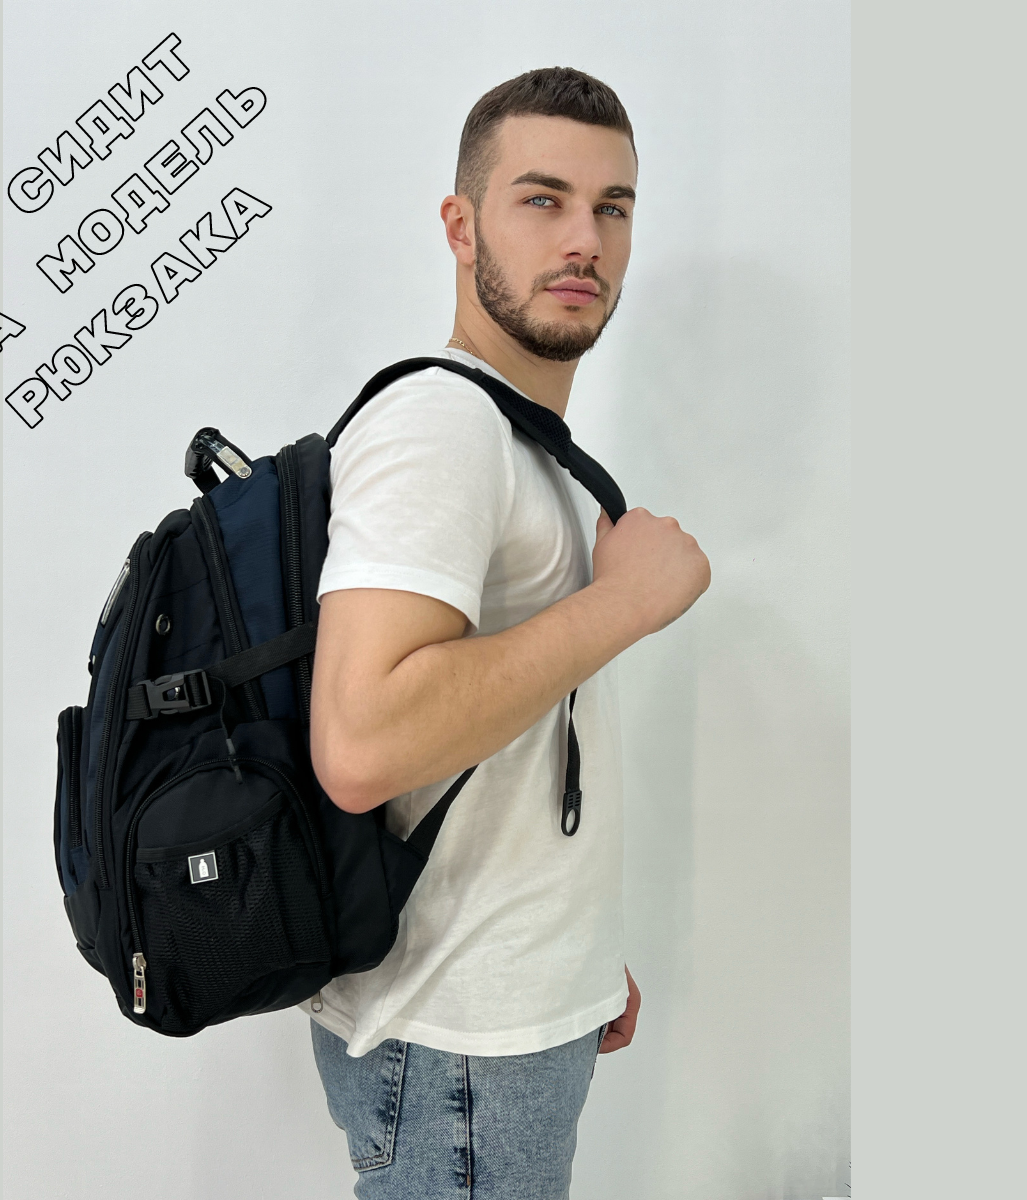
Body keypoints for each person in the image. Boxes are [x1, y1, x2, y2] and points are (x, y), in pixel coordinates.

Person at [303, 66, 710, 1199]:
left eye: (612, 207)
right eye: (542, 199)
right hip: (455, 1041)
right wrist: (625, 603)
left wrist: (574, 963)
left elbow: (507, 741)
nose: (584, 240)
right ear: (459, 224)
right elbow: (363, 744)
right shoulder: (443, 426)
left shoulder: (518, 436)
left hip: (502, 1014)